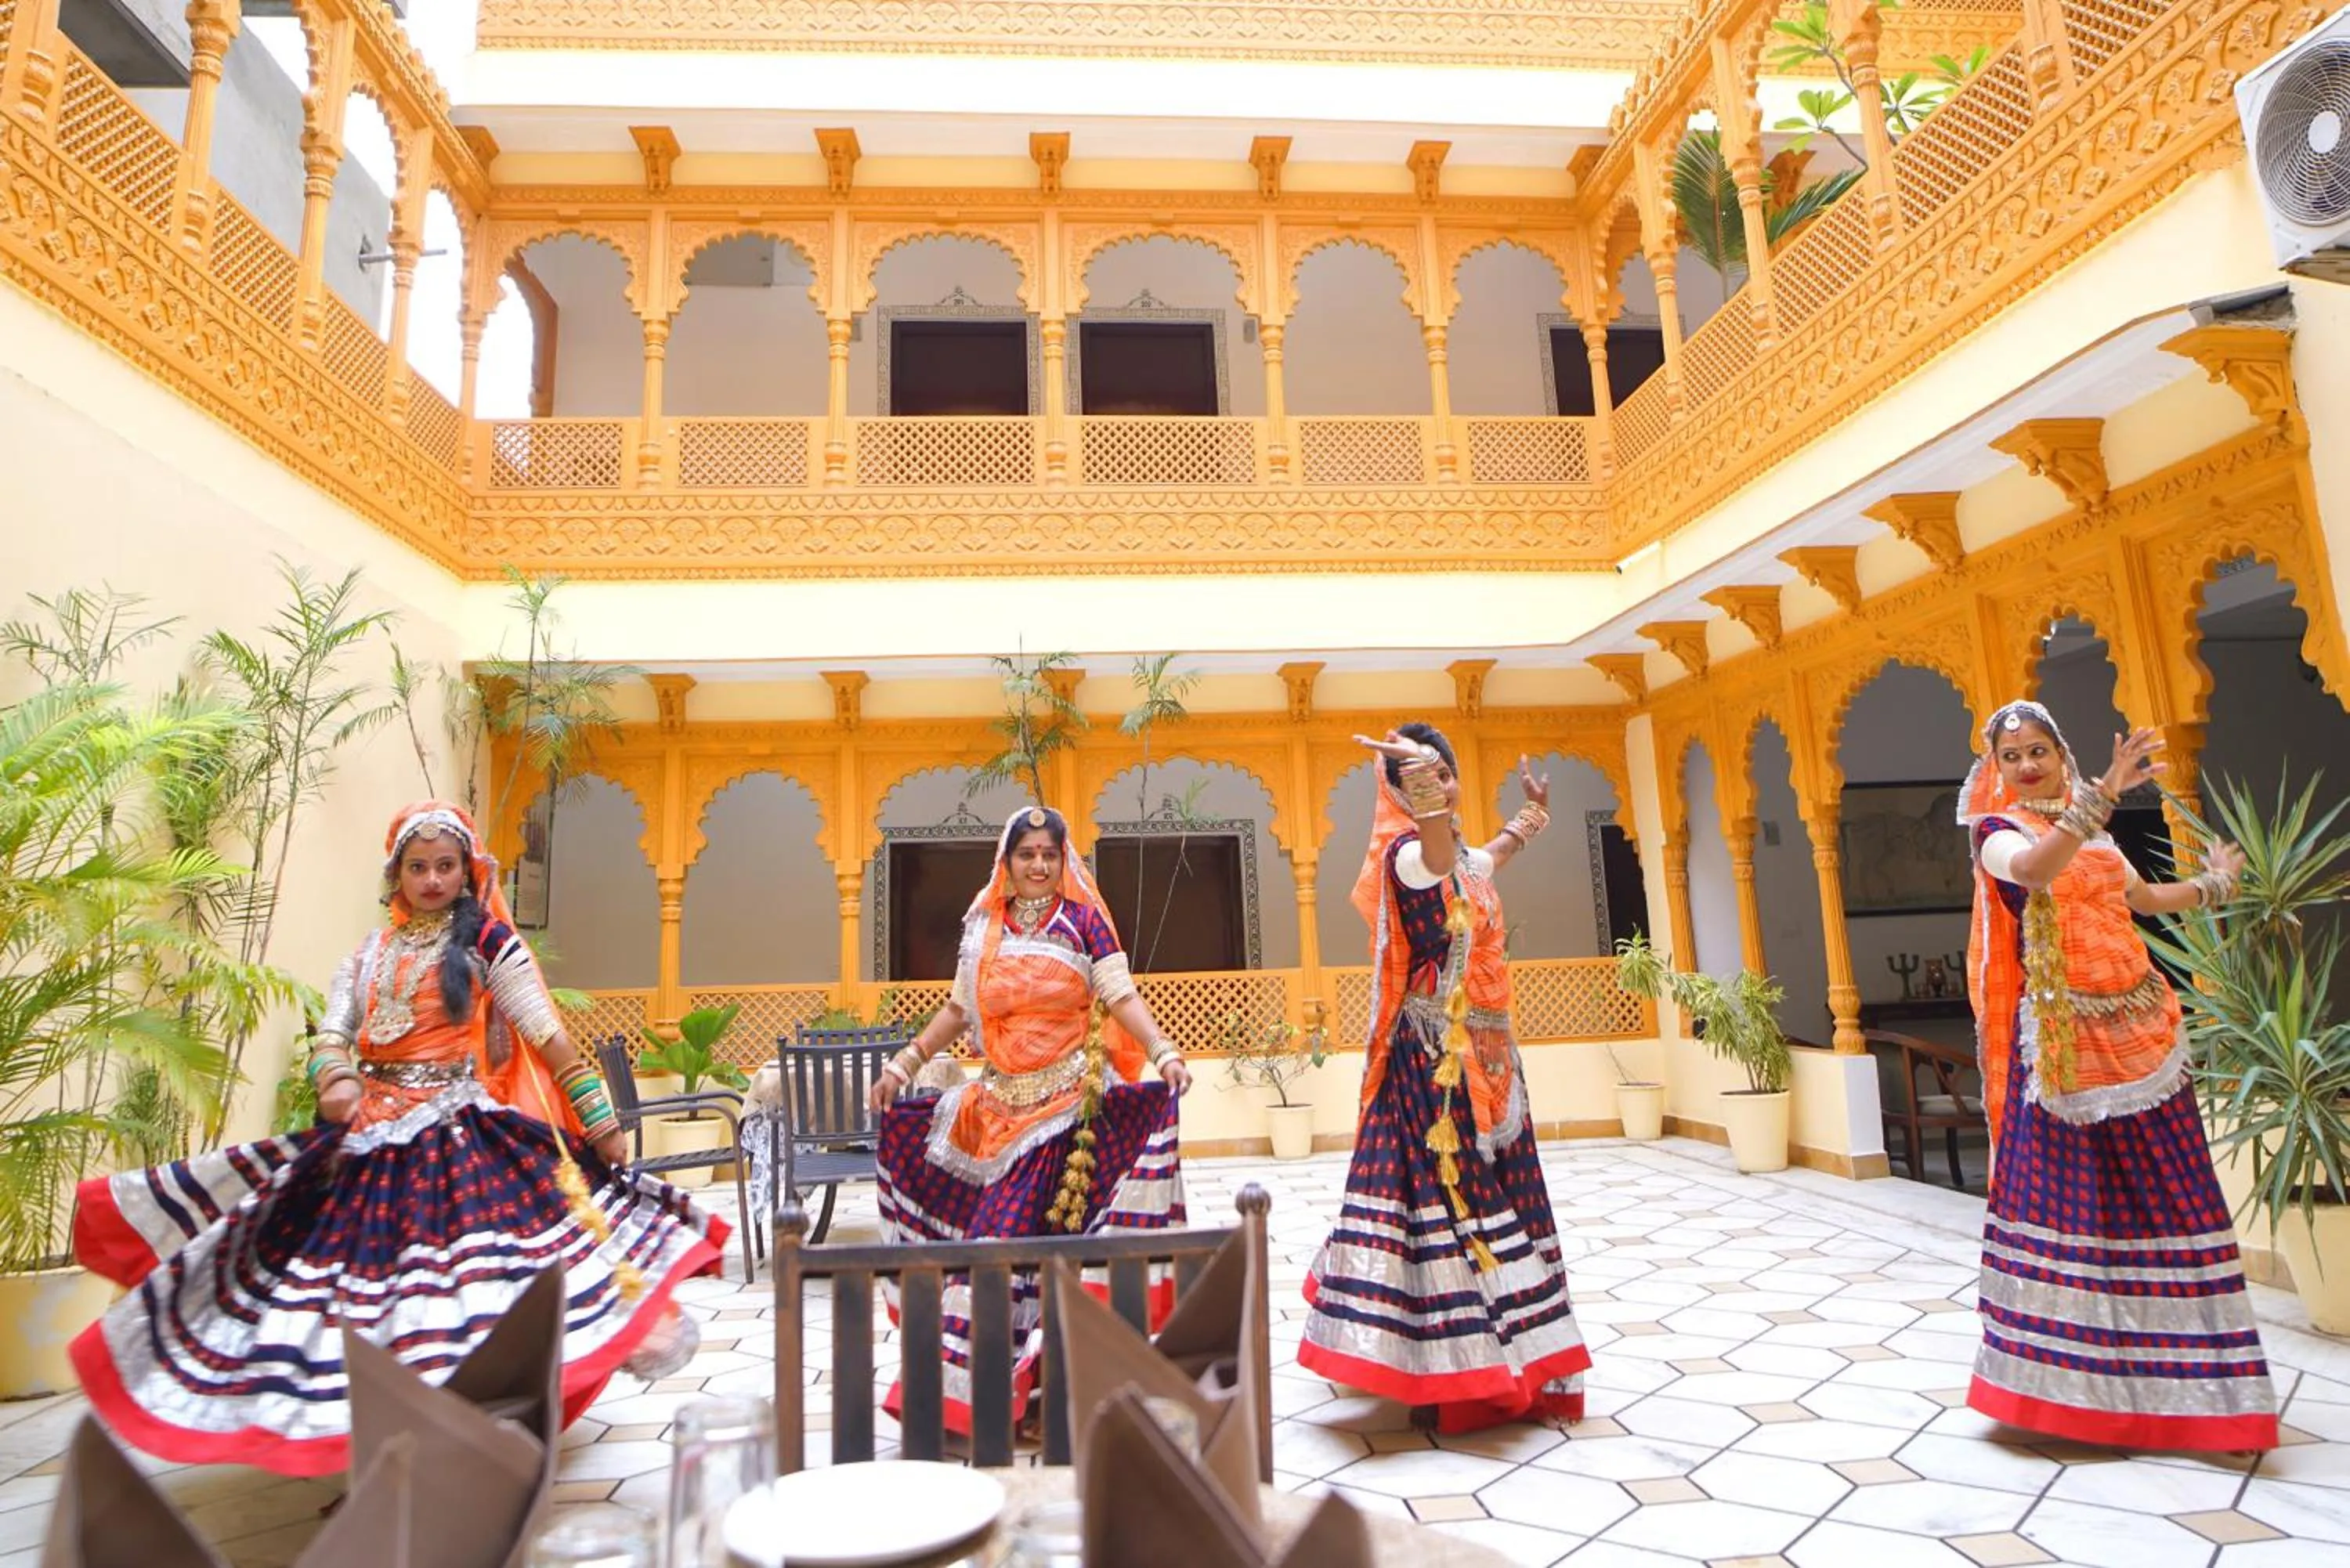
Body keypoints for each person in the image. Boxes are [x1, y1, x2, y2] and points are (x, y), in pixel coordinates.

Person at [70, 800, 730, 1478]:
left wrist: (599, 1120)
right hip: (368, 1144)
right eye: (420, 867)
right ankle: (386, 1447)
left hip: (460, 1145)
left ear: (467, 871)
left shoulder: (487, 946)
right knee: (361, 1301)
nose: (434, 879)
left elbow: (549, 1038)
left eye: (446, 866)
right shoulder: (368, 955)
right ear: (397, 875)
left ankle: (464, 1441)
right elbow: (331, 1032)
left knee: (464, 1297)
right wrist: (335, 1077)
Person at [1959, 701, 2277, 1451]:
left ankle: (2206, 1397)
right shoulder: (1998, 834)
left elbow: (2137, 901)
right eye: (2013, 757)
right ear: (1997, 772)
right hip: (2064, 1056)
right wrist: (2102, 791)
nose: (2029, 765)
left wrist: (2214, 887)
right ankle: (2072, 1399)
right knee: (2075, 1213)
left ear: (2059, 757)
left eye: (2040, 751)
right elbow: (2039, 874)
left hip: (2141, 1033)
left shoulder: (2093, 832)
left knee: (2172, 1202)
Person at [1298, 725, 1591, 1433]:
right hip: (1433, 1065)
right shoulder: (1409, 857)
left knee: (1503, 1197)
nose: (1442, 785)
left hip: (1491, 1054)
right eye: (1424, 779)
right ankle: (1464, 1372)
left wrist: (1533, 818)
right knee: (1457, 1203)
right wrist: (1417, 779)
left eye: (1447, 772)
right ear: (1400, 794)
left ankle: (1506, 1350)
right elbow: (1438, 851)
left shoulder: (1460, 858)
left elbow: (1486, 858)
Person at [868, 805, 1193, 1432]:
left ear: (1063, 859)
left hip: (1070, 1114)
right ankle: (1002, 1401)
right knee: (1000, 1254)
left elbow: (1120, 996)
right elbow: (959, 1012)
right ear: (1007, 863)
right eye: (1027, 854)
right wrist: (901, 1067)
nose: (1039, 865)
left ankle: (1044, 1398)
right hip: (995, 1113)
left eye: (1049, 853)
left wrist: (1165, 1053)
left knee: (1017, 1247)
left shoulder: (1084, 923)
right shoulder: (984, 929)